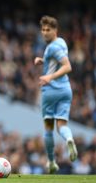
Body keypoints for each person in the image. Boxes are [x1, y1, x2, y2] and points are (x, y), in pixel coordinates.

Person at [34, 15, 78, 174]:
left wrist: (48, 77)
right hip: (66, 90)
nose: (45, 33)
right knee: (62, 125)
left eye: (48, 30)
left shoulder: (52, 47)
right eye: (43, 30)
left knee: (48, 128)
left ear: (55, 30)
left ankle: (51, 161)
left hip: (51, 90)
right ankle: (69, 139)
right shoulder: (61, 43)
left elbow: (67, 66)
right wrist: (43, 60)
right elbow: (56, 62)